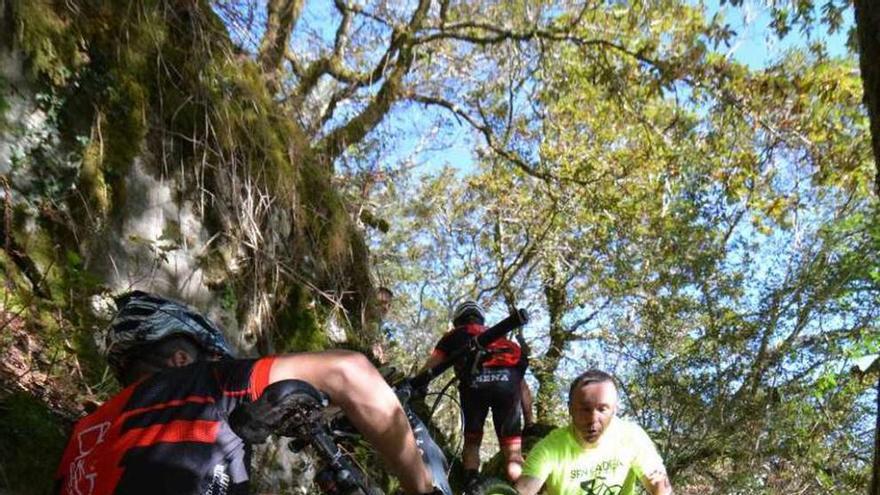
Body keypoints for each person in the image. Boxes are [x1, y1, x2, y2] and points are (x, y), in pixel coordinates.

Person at [54, 290, 439, 495]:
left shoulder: (82, 437)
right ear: (180, 357)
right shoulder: (200, 382)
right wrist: (423, 489)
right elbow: (348, 371)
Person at [421, 300, 533, 485]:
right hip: (508, 386)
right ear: (481, 319)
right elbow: (522, 386)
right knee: (513, 455)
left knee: (472, 443)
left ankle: (471, 484)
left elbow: (433, 365)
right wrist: (529, 422)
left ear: (458, 320)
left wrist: (416, 387)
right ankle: (524, 488)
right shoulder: (503, 339)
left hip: (474, 388)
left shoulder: (454, 335)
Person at [514, 370, 673, 495]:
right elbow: (524, 489)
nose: (593, 419)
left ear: (615, 409)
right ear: (570, 409)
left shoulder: (632, 437)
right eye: (585, 409)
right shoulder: (550, 448)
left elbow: (660, 486)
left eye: (602, 409)